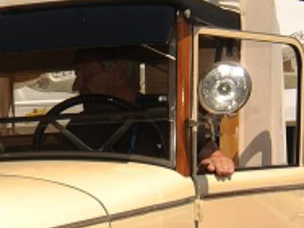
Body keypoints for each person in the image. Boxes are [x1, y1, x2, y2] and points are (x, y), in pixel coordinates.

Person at [68, 53, 235, 178]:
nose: (77, 85)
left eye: (87, 75)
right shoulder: (79, 124)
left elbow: (210, 152)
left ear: (118, 73)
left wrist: (217, 159)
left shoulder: (166, 115)